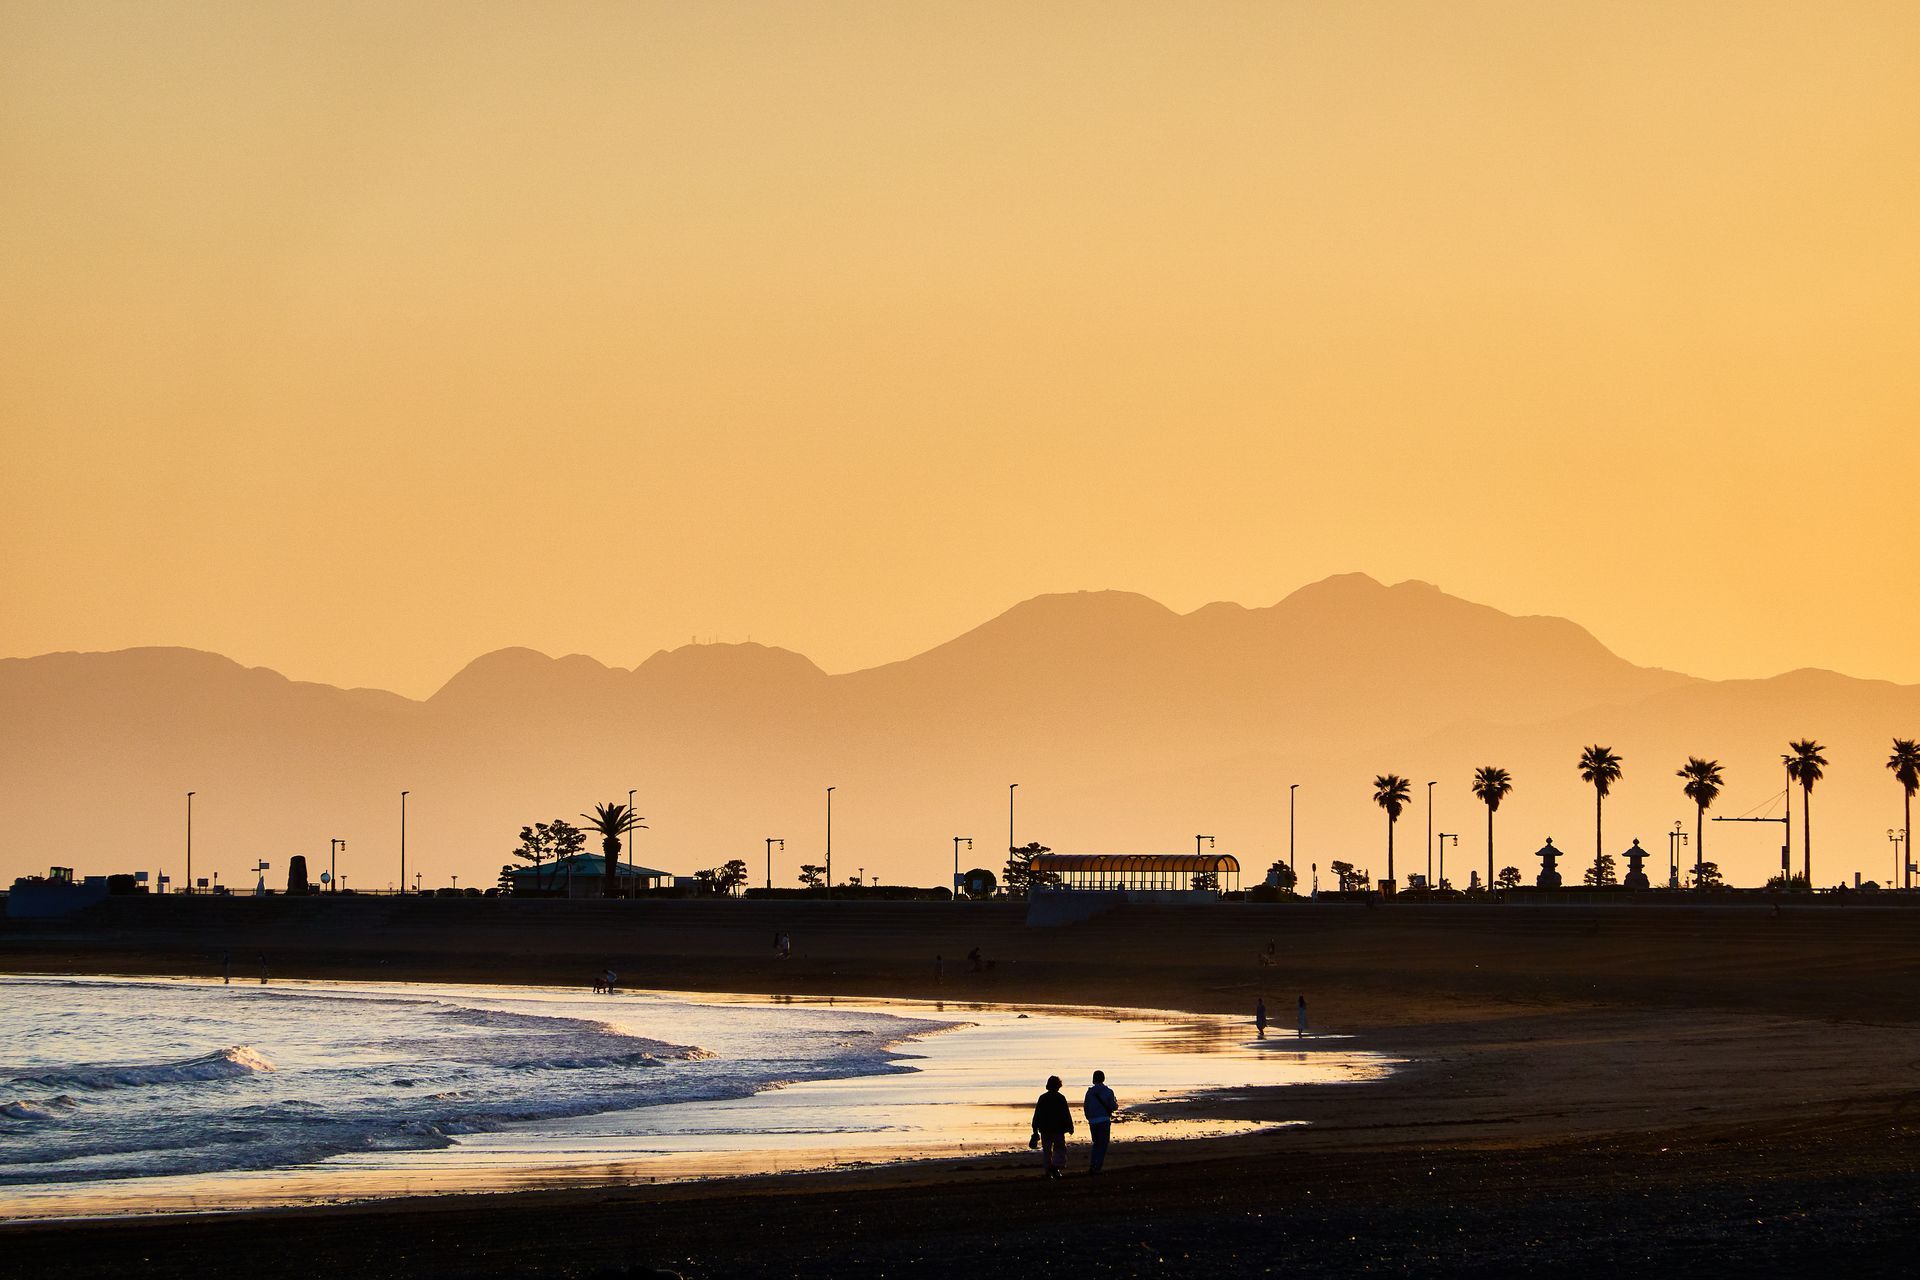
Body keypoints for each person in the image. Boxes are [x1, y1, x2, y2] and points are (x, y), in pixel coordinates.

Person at [1030, 1075, 1074, 1178]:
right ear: (1058, 1086)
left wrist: (1035, 1128)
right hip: (1058, 1129)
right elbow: (1066, 1113)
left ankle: (1048, 1171)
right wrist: (1070, 1126)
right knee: (1059, 1149)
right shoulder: (1060, 1098)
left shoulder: (1043, 1098)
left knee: (1047, 1151)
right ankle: (1055, 1167)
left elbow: (1037, 1114)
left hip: (1045, 1129)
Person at [1083, 1070, 1118, 1173]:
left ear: (1094, 1079)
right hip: (1104, 1120)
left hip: (1093, 1121)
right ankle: (1097, 1166)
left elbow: (1086, 1107)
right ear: (1103, 1078)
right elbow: (1113, 1106)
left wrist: (1089, 1118)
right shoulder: (1108, 1091)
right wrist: (1115, 1105)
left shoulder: (1089, 1092)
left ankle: (1093, 1164)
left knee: (1096, 1143)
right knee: (1103, 1144)